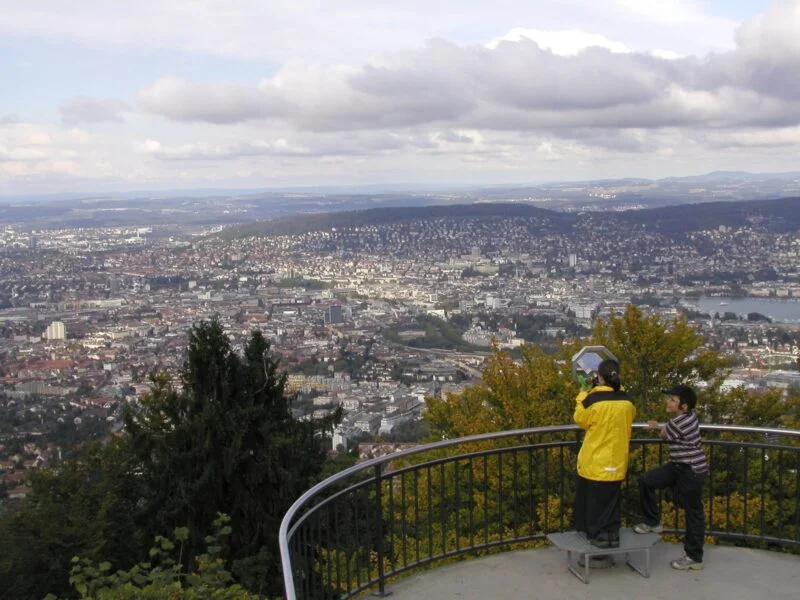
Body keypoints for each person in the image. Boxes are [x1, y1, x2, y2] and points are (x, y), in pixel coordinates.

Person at [633, 384, 707, 571]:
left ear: (684, 406)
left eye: (673, 400)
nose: (669, 402)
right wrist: (661, 426)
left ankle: (694, 556)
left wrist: (658, 427)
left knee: (693, 512)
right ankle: (653, 522)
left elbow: (665, 435)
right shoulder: (689, 418)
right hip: (679, 466)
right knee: (646, 481)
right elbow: (669, 430)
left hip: (690, 470)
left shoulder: (678, 422)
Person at [573, 358, 636, 548]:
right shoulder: (627, 400)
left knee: (594, 503)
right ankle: (612, 534)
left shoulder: (591, 400)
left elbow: (580, 419)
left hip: (595, 460)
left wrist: (582, 394)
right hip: (617, 460)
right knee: (611, 502)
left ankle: (597, 536)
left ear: (599, 377)